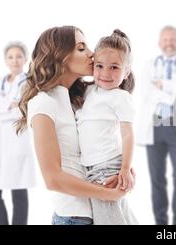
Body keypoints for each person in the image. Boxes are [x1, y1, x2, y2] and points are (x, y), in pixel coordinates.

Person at [16, 26, 127, 225]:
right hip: (75, 217)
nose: (92, 54)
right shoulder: (43, 104)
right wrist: (107, 194)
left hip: (96, 212)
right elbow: (53, 179)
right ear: (60, 55)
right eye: (82, 48)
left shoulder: (78, 100)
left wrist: (122, 170)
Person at [136, 26, 176, 225]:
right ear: (159, 43)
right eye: (165, 39)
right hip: (155, 127)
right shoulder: (148, 65)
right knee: (157, 180)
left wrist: (162, 84)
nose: (169, 43)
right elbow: (145, 92)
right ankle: (161, 224)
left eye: (173, 39)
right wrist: (174, 90)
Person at [76, 29, 138, 225]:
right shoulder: (89, 90)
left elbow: (128, 135)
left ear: (126, 71)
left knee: (107, 218)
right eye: (100, 66)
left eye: (114, 68)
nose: (105, 74)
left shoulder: (121, 97)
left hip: (107, 165)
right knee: (117, 214)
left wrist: (125, 169)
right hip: (91, 166)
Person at [0, 41, 36, 225]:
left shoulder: (29, 81)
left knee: (18, 190)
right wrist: (9, 104)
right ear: (5, 60)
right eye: (11, 57)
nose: (15, 60)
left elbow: (23, 110)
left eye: (19, 56)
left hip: (17, 142)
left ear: (25, 59)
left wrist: (0, 104)